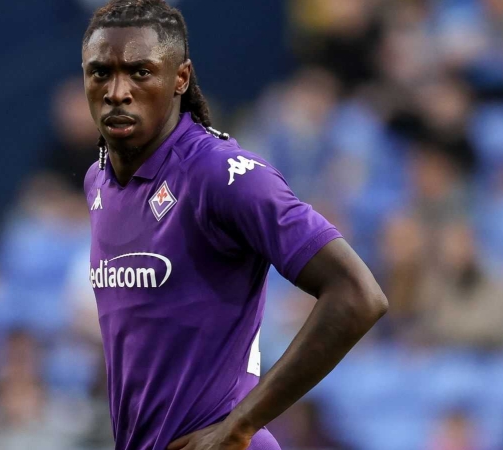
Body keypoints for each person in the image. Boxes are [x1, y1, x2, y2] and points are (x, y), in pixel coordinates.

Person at [80, 1, 388, 449]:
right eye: (100, 72)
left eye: (140, 72)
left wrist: (240, 425)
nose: (117, 91)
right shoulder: (98, 181)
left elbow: (358, 294)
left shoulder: (220, 175)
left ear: (180, 78)